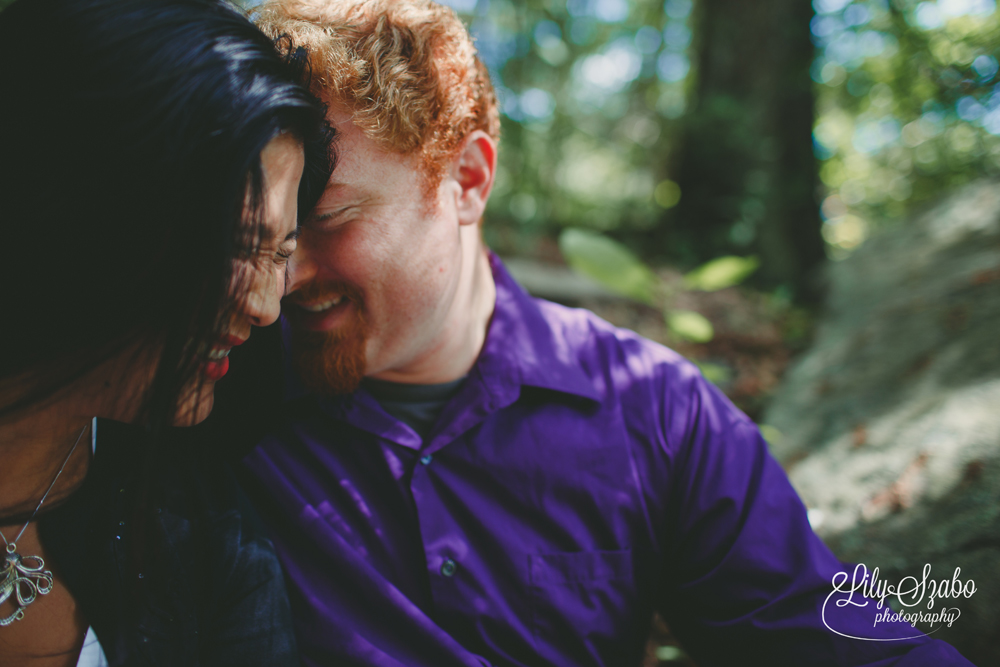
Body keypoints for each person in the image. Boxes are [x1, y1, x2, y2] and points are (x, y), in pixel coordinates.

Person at [228, 0, 974, 665]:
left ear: (467, 180)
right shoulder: (216, 383)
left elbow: (823, 638)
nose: (281, 281)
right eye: (267, 232)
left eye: (328, 220)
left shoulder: (656, 412)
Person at [0, 0, 334, 664]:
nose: (267, 307)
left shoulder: (210, 546)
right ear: (78, 206)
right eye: (238, 243)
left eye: (281, 252)